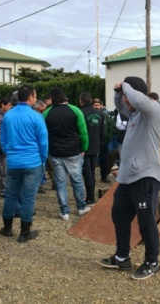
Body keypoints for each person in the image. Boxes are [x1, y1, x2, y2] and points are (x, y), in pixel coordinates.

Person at [100, 76, 160, 281]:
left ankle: (152, 261)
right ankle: (122, 256)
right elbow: (120, 103)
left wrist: (125, 86)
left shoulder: (152, 111)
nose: (126, 101)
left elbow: (137, 99)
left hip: (146, 175)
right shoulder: (134, 113)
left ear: (136, 93)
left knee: (146, 221)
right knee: (119, 215)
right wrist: (118, 91)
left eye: (128, 96)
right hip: (128, 177)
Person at [0, 85, 48, 243]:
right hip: (32, 162)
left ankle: (7, 228)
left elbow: (3, 139)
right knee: (28, 197)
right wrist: (43, 158)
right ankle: (25, 232)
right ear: (31, 98)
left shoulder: (8, 115)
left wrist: (9, 152)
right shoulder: (36, 116)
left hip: (13, 162)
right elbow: (43, 141)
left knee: (11, 195)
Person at [44, 87, 91, 220]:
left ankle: (64, 212)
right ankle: (81, 207)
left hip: (55, 152)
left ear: (52, 98)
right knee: (77, 180)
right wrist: (84, 148)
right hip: (73, 152)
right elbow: (83, 132)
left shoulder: (47, 112)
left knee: (60, 182)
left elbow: (44, 134)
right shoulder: (75, 110)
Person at [79, 91, 105, 206]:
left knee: (87, 172)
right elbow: (102, 132)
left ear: (81, 100)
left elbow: (79, 132)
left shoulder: (80, 113)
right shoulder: (100, 114)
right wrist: (100, 144)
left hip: (84, 147)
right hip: (95, 146)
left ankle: (90, 197)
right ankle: (91, 195)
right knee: (92, 171)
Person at [93, 98, 114, 182]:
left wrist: (108, 138)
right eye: (95, 105)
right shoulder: (91, 116)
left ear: (101, 106)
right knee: (92, 160)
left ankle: (104, 176)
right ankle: (91, 177)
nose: (97, 107)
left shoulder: (105, 115)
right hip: (93, 142)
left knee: (104, 159)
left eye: (98, 105)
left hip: (104, 141)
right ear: (92, 106)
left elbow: (110, 127)